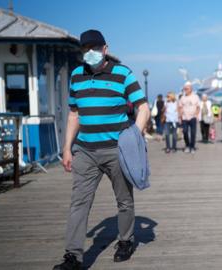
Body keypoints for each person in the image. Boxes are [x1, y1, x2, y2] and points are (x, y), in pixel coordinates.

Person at [54, 29, 150, 270]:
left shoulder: (123, 73)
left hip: (116, 149)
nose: (90, 53)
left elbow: (143, 107)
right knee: (79, 202)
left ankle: (126, 240)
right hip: (85, 151)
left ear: (104, 49)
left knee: (124, 200)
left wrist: (133, 138)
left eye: (95, 48)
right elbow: (74, 114)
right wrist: (67, 148)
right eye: (86, 49)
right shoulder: (76, 75)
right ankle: (73, 256)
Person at [178, 82, 200, 154]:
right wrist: (180, 117)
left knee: (193, 133)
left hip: (193, 117)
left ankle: (192, 147)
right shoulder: (182, 97)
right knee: (185, 132)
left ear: (191, 89)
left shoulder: (195, 96)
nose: (185, 90)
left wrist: (196, 115)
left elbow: (198, 107)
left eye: (187, 88)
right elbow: (180, 107)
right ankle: (187, 145)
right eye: (184, 89)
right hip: (184, 118)